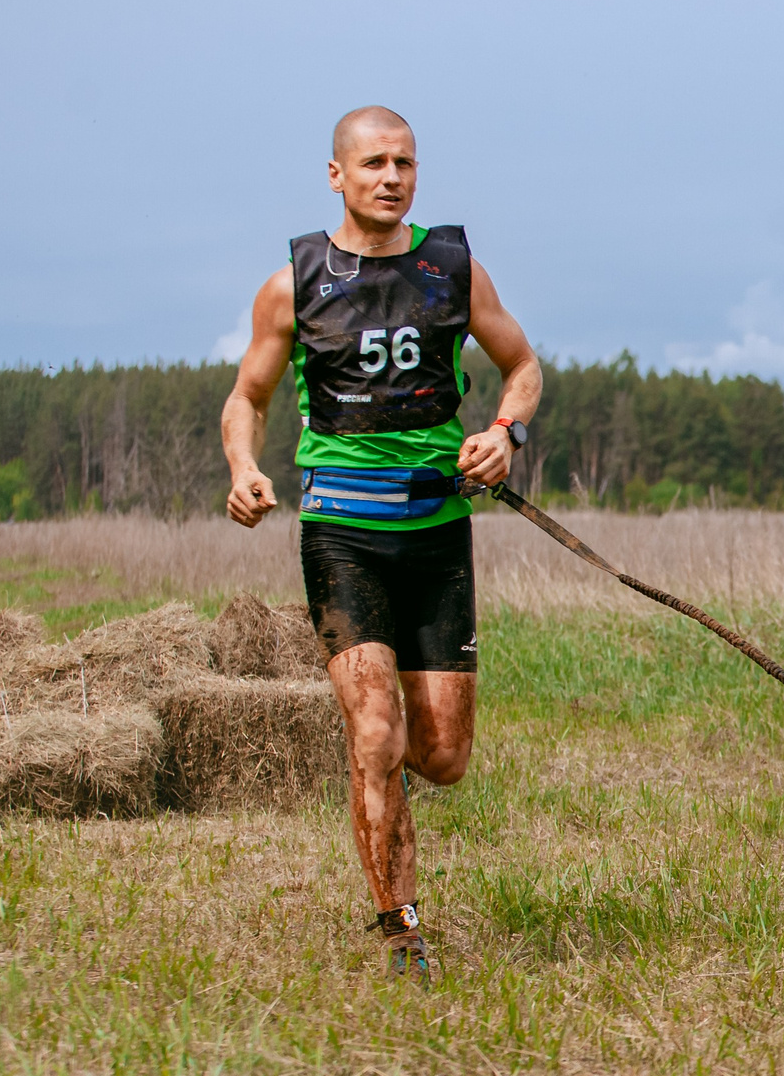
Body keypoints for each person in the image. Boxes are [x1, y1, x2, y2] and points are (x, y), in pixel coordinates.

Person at [220, 106, 543, 980]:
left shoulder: (452, 267)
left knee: (442, 757)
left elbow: (522, 363)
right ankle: (400, 925)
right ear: (337, 176)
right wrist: (244, 465)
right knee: (374, 730)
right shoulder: (295, 282)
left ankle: (393, 796)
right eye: (372, 163)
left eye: (404, 162)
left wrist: (505, 431)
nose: (390, 176)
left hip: (438, 536)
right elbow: (246, 396)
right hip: (343, 538)